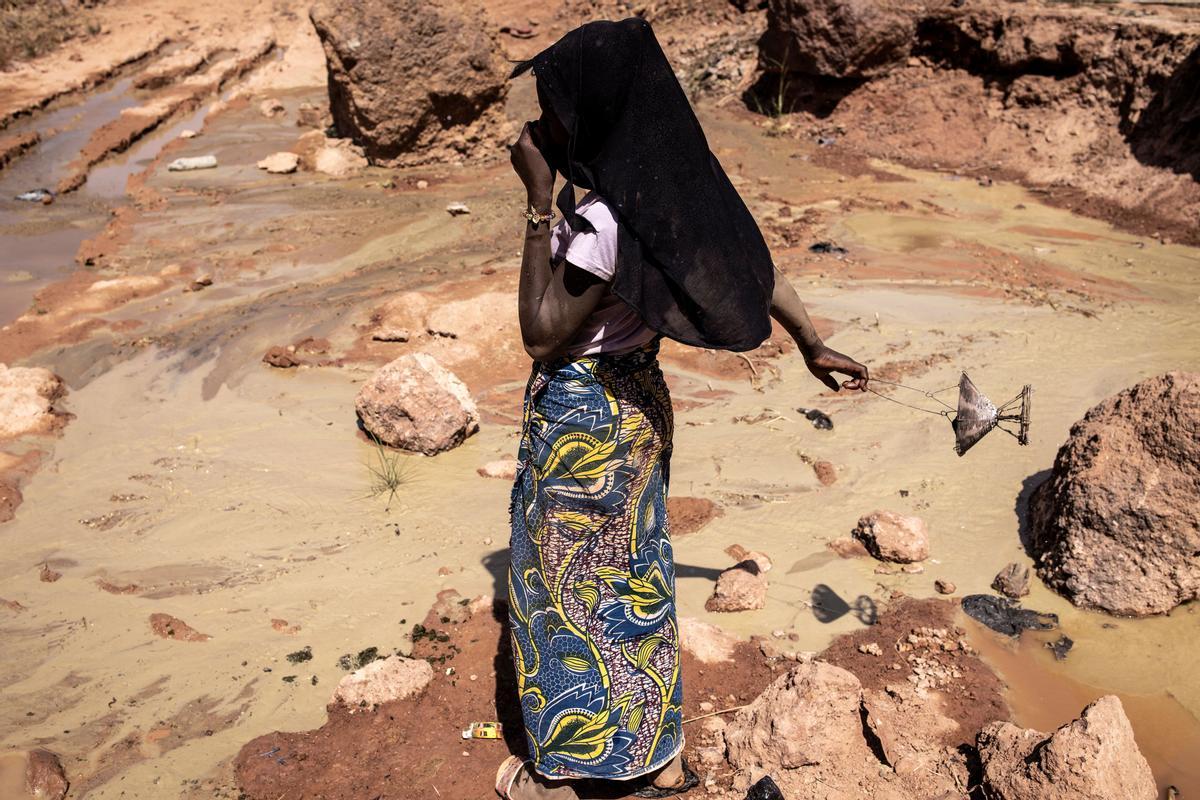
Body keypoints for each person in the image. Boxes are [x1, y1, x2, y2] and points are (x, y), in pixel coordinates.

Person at [496, 18, 868, 800]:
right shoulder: (669, 186)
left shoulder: (601, 221)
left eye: (550, 107)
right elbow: (753, 270)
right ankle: (658, 756)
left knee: (561, 590)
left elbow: (540, 338)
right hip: (640, 407)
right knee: (635, 575)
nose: (535, 124)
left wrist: (536, 205)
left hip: (582, 419)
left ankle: (565, 773)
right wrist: (810, 344)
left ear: (593, 113)